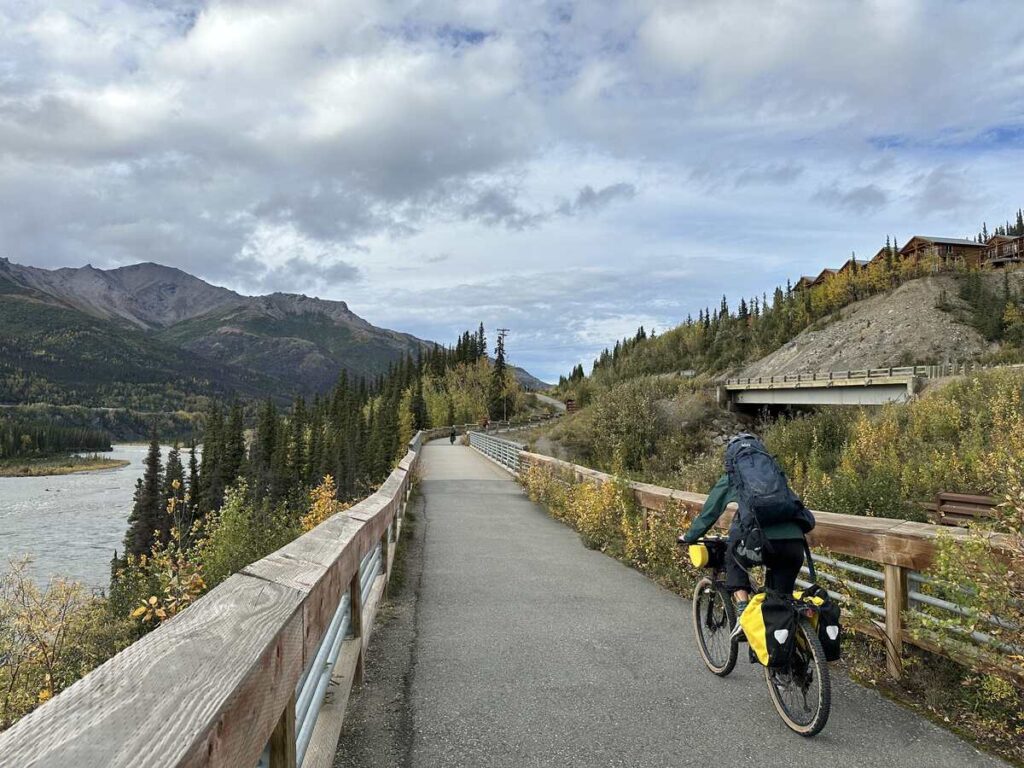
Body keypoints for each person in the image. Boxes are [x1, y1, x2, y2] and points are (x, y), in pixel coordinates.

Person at [681, 433, 813, 627]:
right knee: (782, 604)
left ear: (731, 459)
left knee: (732, 556)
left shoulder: (733, 477)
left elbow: (710, 513)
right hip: (795, 543)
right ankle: (790, 650)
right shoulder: (776, 475)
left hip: (763, 543)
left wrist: (690, 536)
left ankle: (744, 614)